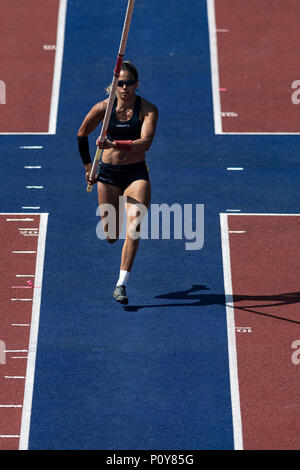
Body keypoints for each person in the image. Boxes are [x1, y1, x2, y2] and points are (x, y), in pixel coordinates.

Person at [77, 61, 158, 305]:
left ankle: (121, 284)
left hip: (135, 174)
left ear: (137, 84)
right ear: (114, 85)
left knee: (134, 226)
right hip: (108, 175)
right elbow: (82, 133)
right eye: (120, 83)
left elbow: (146, 143)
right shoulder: (103, 108)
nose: (124, 88)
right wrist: (89, 167)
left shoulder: (148, 110)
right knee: (111, 235)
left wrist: (116, 145)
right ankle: (114, 232)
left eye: (129, 83)